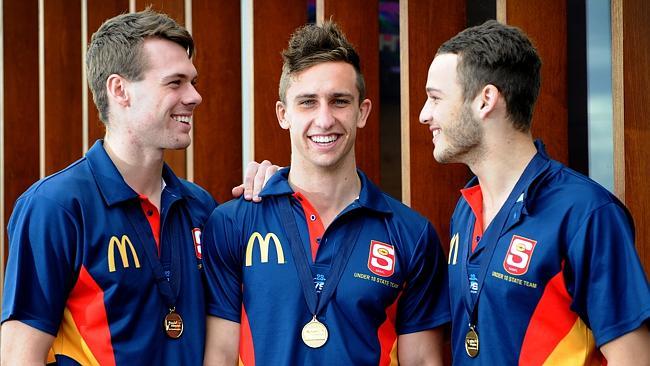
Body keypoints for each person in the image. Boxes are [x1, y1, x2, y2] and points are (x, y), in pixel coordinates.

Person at [0, 9, 272, 365]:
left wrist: (280, 194)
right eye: (175, 83)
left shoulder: (201, 206)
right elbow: (20, 356)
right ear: (120, 90)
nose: (195, 97)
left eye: (193, 81)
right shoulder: (55, 206)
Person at [202, 21, 450, 365]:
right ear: (283, 114)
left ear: (362, 112)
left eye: (339, 101)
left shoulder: (412, 235)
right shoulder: (233, 222)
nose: (324, 119)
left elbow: (422, 361)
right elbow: (220, 355)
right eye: (307, 102)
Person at [419, 19, 650, 365]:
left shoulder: (587, 213)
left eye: (435, 98)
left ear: (486, 101)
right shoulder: (465, 209)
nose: (424, 115)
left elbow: (632, 358)